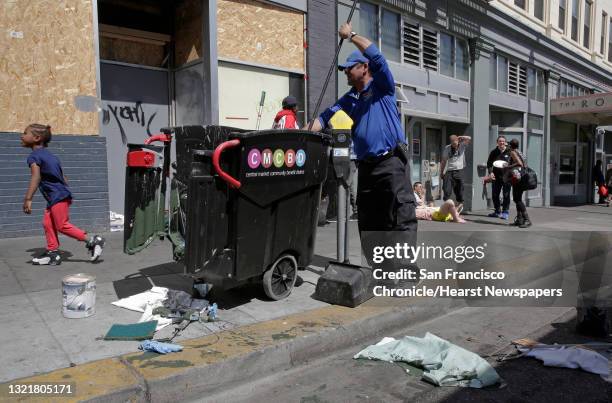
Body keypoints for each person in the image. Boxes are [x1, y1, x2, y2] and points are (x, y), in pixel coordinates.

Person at [308, 23, 417, 275]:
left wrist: (352, 36)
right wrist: (298, 135)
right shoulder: (349, 99)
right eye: (344, 70)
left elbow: (377, 55)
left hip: (390, 161)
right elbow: (322, 119)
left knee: (400, 215)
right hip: (367, 166)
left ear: (364, 67)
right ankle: (381, 269)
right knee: (369, 220)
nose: (346, 73)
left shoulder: (382, 87)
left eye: (350, 68)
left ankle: (404, 269)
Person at [21, 124, 105, 265]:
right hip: (58, 196)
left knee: (61, 225)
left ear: (36, 138)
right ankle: (53, 253)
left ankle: (93, 240)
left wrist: (28, 198)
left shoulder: (34, 156)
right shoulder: (51, 156)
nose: (21, 136)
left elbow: (36, 177)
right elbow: (63, 177)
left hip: (57, 197)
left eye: (25, 133)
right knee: (48, 223)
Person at [440, 134, 471, 211]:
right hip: (449, 171)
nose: (454, 145)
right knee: (446, 188)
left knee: (459, 189)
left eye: (455, 143)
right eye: (453, 144)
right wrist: (441, 172)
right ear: (451, 142)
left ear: (458, 141)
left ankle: (460, 204)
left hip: (459, 170)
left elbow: (469, 138)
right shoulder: (447, 148)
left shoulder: (462, 145)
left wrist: (462, 137)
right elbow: (444, 161)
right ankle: (447, 205)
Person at [486, 136, 512, 219]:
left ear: (505, 142)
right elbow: (489, 164)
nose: (502, 143)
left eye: (503, 141)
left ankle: (505, 212)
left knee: (506, 195)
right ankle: (497, 211)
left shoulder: (510, 152)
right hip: (496, 177)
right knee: (495, 194)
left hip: (507, 177)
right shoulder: (494, 152)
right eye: (500, 141)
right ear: (497, 143)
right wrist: (491, 173)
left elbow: (515, 163)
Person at [507, 138, 531, 228]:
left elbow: (519, 163)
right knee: (518, 198)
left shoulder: (513, 152)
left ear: (510, 145)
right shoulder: (519, 152)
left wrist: (508, 166)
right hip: (522, 177)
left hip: (518, 178)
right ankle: (519, 220)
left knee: (517, 199)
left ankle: (527, 219)